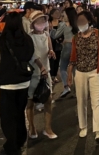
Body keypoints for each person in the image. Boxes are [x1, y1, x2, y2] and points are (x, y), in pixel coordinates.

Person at [0, 12, 36, 155]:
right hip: (23, 82)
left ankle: (12, 144)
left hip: (7, 84)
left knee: (7, 116)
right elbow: (31, 57)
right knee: (19, 113)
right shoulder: (27, 39)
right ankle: (20, 140)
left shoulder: (2, 40)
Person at [67, 10, 99, 142]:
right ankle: (83, 127)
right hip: (80, 72)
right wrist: (70, 74)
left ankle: (98, 131)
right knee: (81, 100)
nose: (80, 24)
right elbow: (73, 58)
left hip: (95, 72)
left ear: (89, 21)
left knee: (96, 101)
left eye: (83, 21)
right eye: (79, 21)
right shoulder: (76, 37)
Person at [26, 11, 57, 139]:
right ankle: (32, 127)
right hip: (33, 74)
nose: (41, 23)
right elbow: (32, 55)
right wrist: (41, 67)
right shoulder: (29, 37)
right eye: (38, 21)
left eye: (43, 21)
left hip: (46, 73)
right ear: (33, 24)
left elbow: (50, 49)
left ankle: (48, 129)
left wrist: (51, 52)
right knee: (30, 102)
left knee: (48, 100)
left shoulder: (46, 34)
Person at [51, 6, 78, 98]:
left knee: (63, 68)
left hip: (67, 47)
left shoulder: (63, 24)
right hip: (77, 48)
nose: (63, 15)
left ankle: (67, 87)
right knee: (75, 69)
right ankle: (77, 90)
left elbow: (55, 36)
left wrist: (51, 29)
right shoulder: (78, 24)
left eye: (64, 14)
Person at [48, 8, 63, 84]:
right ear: (51, 15)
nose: (58, 14)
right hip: (50, 44)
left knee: (57, 60)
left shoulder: (61, 23)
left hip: (58, 44)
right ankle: (50, 76)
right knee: (51, 61)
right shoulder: (49, 23)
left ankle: (54, 76)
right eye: (56, 13)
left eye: (58, 12)